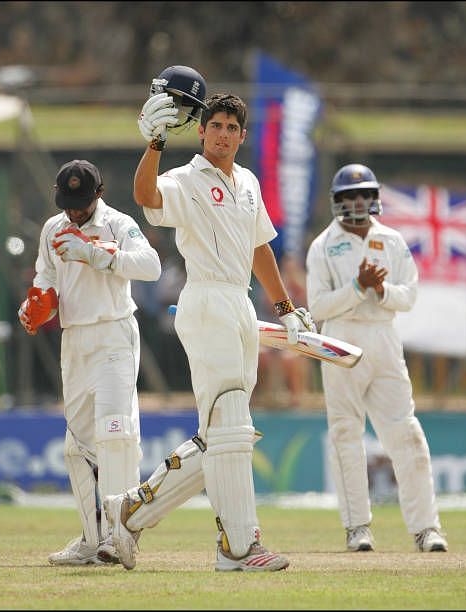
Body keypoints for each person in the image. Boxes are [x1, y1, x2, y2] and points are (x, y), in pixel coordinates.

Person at [102, 65, 314, 572]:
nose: (222, 134)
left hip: (241, 304)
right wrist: (153, 143)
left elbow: (260, 247)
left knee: (224, 433)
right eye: (214, 125)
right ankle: (238, 548)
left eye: (231, 128)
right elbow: (146, 197)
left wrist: (286, 309)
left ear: (242, 136)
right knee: (231, 426)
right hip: (205, 300)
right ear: (201, 130)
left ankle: (131, 509)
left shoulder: (247, 183)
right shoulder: (185, 178)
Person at [18, 159, 161, 565]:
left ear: (98, 194)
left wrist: (99, 255)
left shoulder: (117, 223)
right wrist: (33, 307)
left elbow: (151, 266)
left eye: (82, 203)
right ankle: (90, 538)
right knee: (76, 445)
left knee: (115, 435)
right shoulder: (52, 228)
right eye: (68, 203)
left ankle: (120, 538)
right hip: (74, 338)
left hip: (113, 333)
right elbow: (44, 281)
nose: (75, 211)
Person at [305, 163, 448, 553]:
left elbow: (410, 295)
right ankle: (357, 528)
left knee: (406, 432)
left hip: (384, 337)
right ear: (337, 202)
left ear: (374, 198)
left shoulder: (393, 241)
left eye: (363, 195)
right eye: (349, 197)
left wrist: (381, 290)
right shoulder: (323, 246)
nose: (357, 202)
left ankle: (426, 528)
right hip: (341, 339)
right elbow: (318, 305)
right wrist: (357, 287)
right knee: (346, 434)